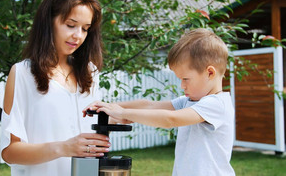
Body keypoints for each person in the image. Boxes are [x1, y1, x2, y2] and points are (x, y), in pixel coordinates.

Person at [84, 28, 236, 176]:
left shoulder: (217, 104)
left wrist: (122, 112)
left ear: (210, 73)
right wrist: (107, 106)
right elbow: (148, 105)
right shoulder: (189, 102)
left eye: (185, 79)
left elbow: (170, 119)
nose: (182, 85)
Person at [0, 0, 111, 175]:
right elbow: (10, 152)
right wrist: (64, 148)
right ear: (49, 22)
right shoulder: (22, 73)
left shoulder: (89, 72)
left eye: (85, 29)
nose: (78, 36)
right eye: (70, 25)